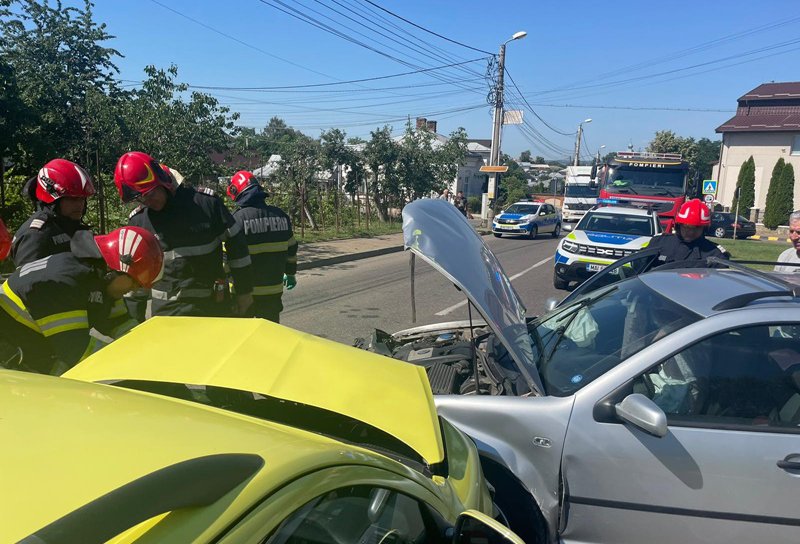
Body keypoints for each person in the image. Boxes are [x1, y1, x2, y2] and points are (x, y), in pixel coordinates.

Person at [0, 226, 163, 375]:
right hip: (14, 348)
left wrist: (148, 351)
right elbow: (78, 352)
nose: (135, 289)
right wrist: (131, 369)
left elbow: (121, 325)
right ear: (114, 270)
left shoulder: (100, 277)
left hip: (40, 345)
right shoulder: (67, 281)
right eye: (135, 282)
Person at [114, 152, 254, 319]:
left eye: (150, 194)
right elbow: (136, 277)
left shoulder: (206, 204)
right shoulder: (139, 222)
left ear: (162, 181)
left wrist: (244, 293)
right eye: (141, 199)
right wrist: (134, 323)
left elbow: (237, 248)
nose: (148, 202)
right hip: (167, 315)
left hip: (213, 308)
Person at [227, 171, 298, 323]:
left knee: (244, 339)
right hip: (273, 292)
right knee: (270, 337)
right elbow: (292, 249)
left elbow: (227, 258)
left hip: (244, 293)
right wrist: (290, 273)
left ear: (236, 192)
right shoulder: (281, 216)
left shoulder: (236, 220)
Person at [11, 158, 94, 267]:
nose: (79, 205)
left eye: (82, 199)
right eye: (72, 199)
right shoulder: (36, 235)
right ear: (54, 200)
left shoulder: (71, 226)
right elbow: (28, 281)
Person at [647, 199, 730, 266]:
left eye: (696, 228)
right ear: (678, 226)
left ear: (705, 229)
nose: (690, 232)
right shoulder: (659, 243)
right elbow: (639, 270)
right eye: (686, 227)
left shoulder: (714, 254)